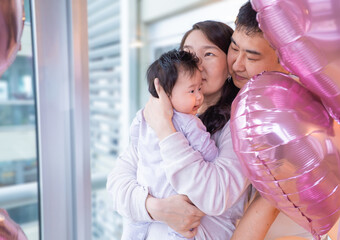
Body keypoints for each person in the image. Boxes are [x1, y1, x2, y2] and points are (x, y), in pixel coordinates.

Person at [107, 20, 253, 240]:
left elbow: (215, 194)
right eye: (188, 54)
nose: (197, 65)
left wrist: (166, 130)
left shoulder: (240, 125)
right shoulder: (156, 113)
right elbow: (117, 184)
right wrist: (155, 208)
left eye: (209, 54)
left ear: (229, 65)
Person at [228, 1, 317, 240]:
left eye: (252, 56)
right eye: (234, 48)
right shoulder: (225, 92)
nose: (237, 64)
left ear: (286, 59)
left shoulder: (297, 116)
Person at [122, 49, 219, 240]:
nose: (199, 97)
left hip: (146, 190)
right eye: (192, 91)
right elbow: (210, 154)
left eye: (200, 89)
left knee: (133, 228)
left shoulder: (144, 115)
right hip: (171, 196)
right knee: (180, 233)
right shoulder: (191, 123)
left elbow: (134, 138)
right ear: (165, 93)